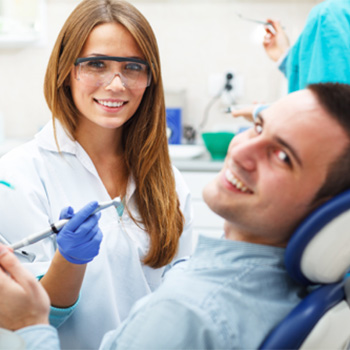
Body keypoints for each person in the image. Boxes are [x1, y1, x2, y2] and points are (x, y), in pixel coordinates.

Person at [1, 82, 350, 349]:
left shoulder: (188, 312)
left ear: (330, 208)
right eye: (258, 127)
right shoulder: (297, 289)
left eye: (283, 156)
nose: (243, 150)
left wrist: (29, 326)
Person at [0, 0, 193, 349]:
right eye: (96, 64)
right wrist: (68, 262)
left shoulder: (170, 182)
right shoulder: (18, 176)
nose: (116, 84)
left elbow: (182, 295)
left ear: (150, 78)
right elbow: (22, 322)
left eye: (133, 67)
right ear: (65, 70)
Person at [231, 0, 350, 121]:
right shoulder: (336, 13)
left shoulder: (331, 13)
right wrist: (286, 59)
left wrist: (264, 114)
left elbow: (328, 112)